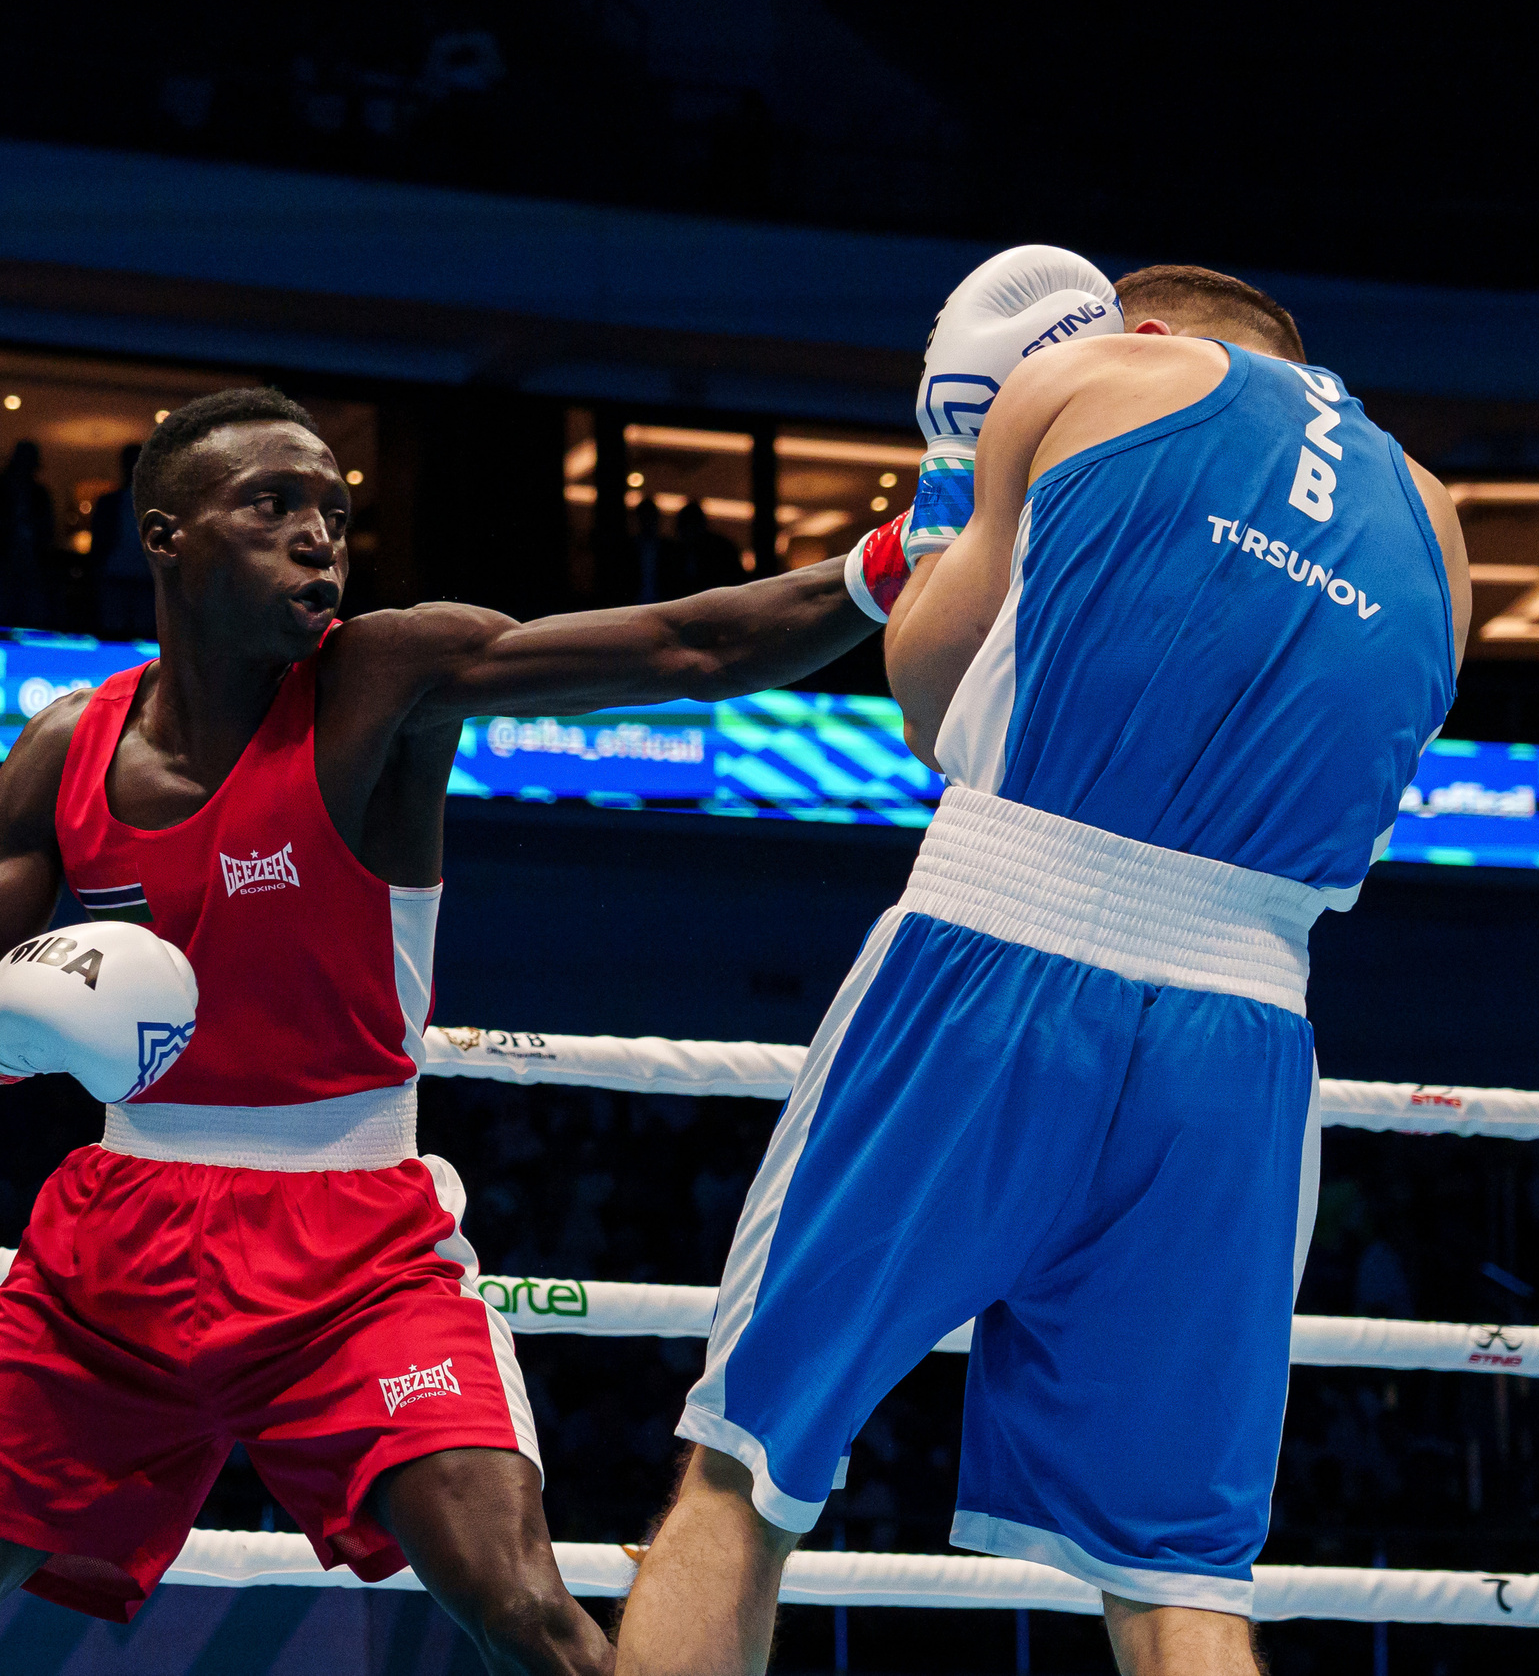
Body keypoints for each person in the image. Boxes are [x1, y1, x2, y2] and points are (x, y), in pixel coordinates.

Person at [0, 387, 882, 1676]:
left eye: (333, 508)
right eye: (272, 504)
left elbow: (686, 647)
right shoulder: (64, 750)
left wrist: (894, 559)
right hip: (107, 1260)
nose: (319, 534)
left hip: (353, 1251)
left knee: (525, 1614)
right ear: (165, 536)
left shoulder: (386, 676)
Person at [617, 252, 1471, 1676]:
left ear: (1142, 328)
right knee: (1178, 1577)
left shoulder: (1093, 376)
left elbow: (928, 695)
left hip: (999, 942)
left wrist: (956, 469)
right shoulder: (1437, 524)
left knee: (742, 1471)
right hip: (1249, 1025)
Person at [0, 440, 59, 628]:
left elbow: (48, 530)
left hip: (29, 566)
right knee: (1, 613)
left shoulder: (39, 494)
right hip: (0, 562)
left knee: (25, 614)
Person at [88, 442, 153, 640]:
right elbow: (99, 540)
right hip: (116, 574)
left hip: (142, 577)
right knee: (115, 630)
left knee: (140, 632)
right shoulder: (110, 502)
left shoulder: (155, 504)